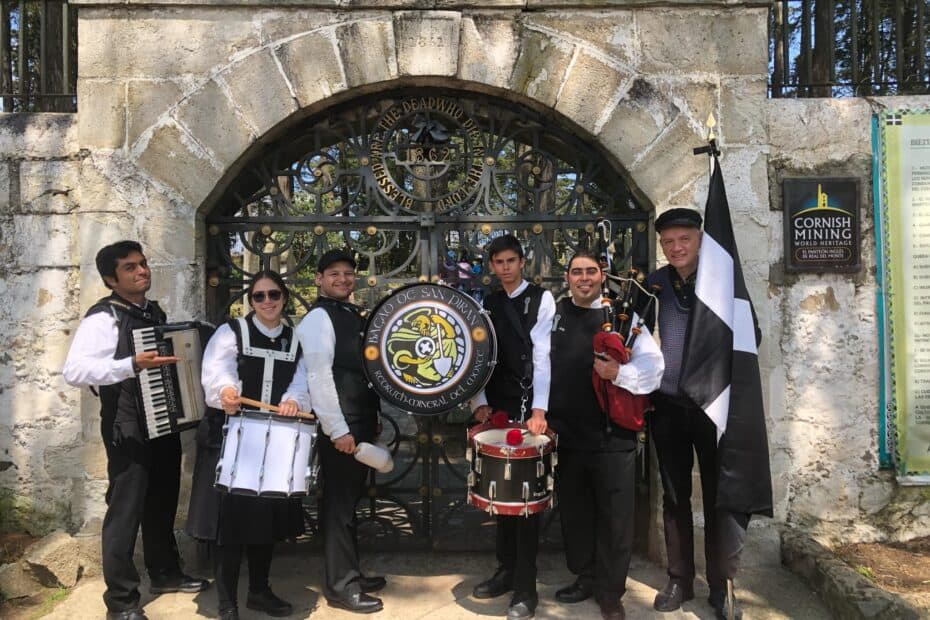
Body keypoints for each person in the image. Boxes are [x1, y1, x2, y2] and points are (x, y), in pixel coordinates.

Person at [62, 241, 208, 620]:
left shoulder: (151, 312)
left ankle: (164, 574)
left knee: (161, 504)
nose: (141, 271)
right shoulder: (103, 318)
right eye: (130, 267)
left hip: (162, 423)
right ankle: (122, 602)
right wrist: (129, 365)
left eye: (143, 264)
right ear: (112, 278)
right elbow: (74, 371)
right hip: (127, 429)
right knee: (124, 514)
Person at [547, 250, 665, 620]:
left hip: (613, 438)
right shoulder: (554, 316)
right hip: (568, 435)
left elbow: (653, 367)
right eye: (576, 272)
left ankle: (611, 592)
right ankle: (586, 576)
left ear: (602, 276)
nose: (584, 278)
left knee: (615, 518)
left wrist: (619, 374)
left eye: (591, 272)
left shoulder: (621, 317)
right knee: (576, 513)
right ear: (567, 277)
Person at [187, 270, 311, 620]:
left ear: (284, 297)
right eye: (259, 296)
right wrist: (225, 392)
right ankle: (227, 602)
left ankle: (259, 591)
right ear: (250, 301)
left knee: (265, 522)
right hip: (230, 438)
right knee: (230, 524)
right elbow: (216, 372)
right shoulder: (231, 332)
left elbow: (302, 382)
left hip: (274, 439)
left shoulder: (295, 339)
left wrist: (293, 401)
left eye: (274, 294)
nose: (267, 301)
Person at [647, 208, 750, 620]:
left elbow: (749, 335)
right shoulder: (653, 283)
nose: (676, 248)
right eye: (668, 242)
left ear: (700, 238)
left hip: (713, 407)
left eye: (683, 240)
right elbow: (630, 333)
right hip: (668, 405)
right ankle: (680, 578)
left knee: (718, 497)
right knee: (674, 497)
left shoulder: (721, 281)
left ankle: (722, 586)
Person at [294, 248, 386, 614]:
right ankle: (340, 587)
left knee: (349, 504)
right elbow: (319, 377)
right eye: (334, 273)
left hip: (358, 421)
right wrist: (337, 430)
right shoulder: (319, 318)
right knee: (338, 508)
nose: (343, 279)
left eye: (348, 273)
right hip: (342, 427)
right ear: (319, 279)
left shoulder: (349, 314)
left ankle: (351, 574)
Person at [470, 234, 555, 620]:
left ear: (522, 262)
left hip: (529, 404)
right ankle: (505, 572)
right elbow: (479, 356)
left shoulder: (542, 299)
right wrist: (480, 403)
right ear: (491, 265)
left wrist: (539, 408)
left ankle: (526, 587)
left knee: (525, 502)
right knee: (501, 497)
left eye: (510, 261)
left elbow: (542, 356)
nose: (504, 267)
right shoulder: (487, 303)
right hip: (500, 404)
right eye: (498, 262)